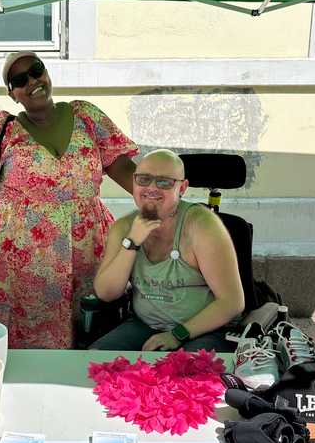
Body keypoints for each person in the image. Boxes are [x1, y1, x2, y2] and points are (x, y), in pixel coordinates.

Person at [0, 51, 138, 349]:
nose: (32, 81)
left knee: (90, 331)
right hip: (15, 262)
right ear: (12, 94)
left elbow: (126, 170)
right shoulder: (4, 129)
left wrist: (166, 203)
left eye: (36, 70)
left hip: (86, 250)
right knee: (21, 341)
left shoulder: (87, 117)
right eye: (19, 80)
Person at [91, 149, 244, 352]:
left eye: (164, 182)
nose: (151, 188)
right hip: (146, 325)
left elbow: (232, 302)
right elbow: (106, 293)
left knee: (187, 374)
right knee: (97, 361)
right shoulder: (124, 227)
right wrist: (132, 241)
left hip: (204, 329)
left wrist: (178, 334)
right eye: (143, 179)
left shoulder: (203, 225)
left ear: (182, 188)